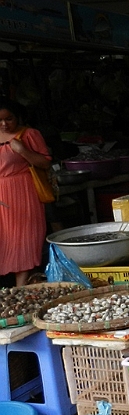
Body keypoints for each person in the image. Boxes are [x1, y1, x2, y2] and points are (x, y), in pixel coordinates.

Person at [0, 98, 52, 287]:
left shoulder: (29, 135)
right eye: (0, 120)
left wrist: (22, 151)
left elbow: (45, 163)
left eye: (9, 119)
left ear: (18, 117)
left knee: (24, 241)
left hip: (23, 194)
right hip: (1, 195)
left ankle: (20, 290)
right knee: (5, 241)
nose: (4, 124)